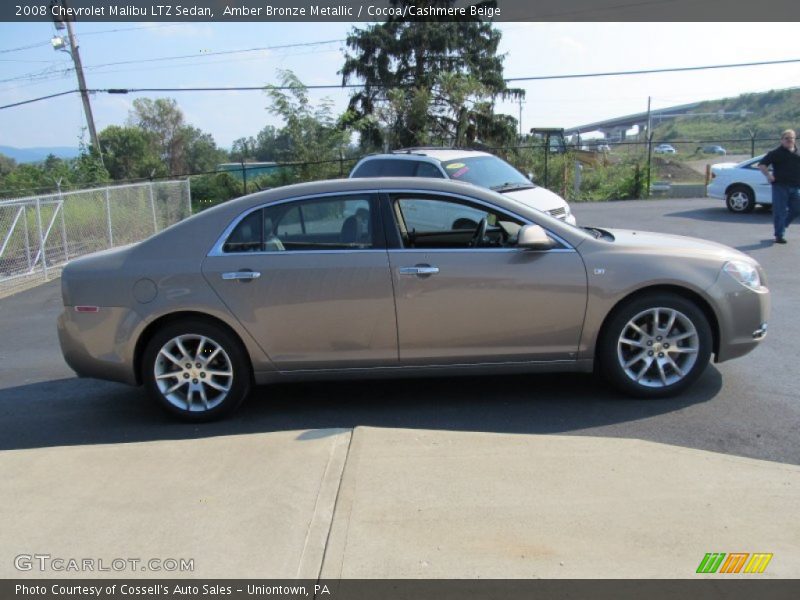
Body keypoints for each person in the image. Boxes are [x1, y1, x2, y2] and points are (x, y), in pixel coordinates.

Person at [758, 129, 800, 244]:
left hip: (795, 187)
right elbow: (762, 165)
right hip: (780, 186)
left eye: (791, 138)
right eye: (787, 138)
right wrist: (768, 175)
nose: (789, 140)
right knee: (779, 211)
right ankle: (779, 235)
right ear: (781, 140)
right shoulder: (776, 153)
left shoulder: (797, 152)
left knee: (797, 209)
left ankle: (783, 224)